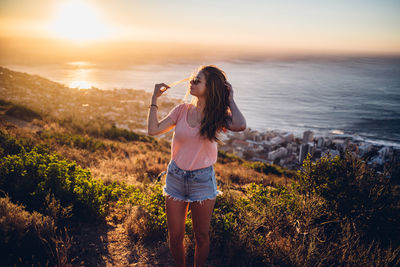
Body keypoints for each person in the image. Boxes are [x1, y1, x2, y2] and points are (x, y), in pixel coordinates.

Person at [147, 65, 246, 267]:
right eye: (192, 79)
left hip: (202, 180)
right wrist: (154, 100)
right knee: (175, 235)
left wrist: (230, 99)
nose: (191, 82)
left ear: (210, 87)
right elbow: (153, 130)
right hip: (175, 177)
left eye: (197, 80)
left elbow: (240, 124)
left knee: (201, 236)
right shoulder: (181, 110)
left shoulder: (217, 115)